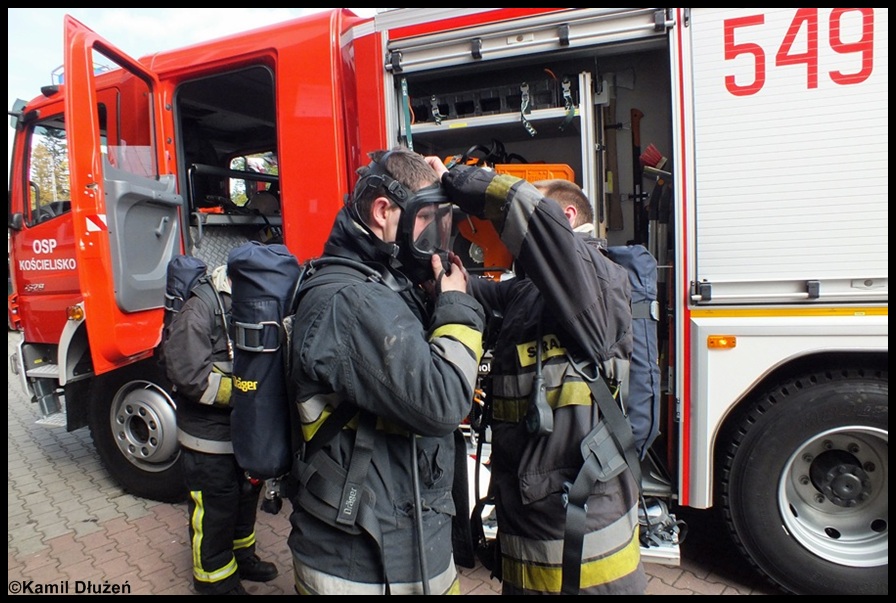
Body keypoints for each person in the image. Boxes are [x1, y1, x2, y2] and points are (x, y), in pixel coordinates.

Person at [425, 161, 648, 596]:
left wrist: (456, 178)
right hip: (536, 540)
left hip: (585, 562)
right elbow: (476, 293)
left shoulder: (595, 279)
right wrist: (437, 272)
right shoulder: (533, 291)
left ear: (564, 219)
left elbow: (526, 211)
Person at [286, 148, 486, 594]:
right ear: (383, 211)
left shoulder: (384, 283)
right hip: (363, 561)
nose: (437, 240)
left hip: (406, 539)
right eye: (427, 222)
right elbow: (442, 402)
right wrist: (455, 309)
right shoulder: (352, 301)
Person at [164, 264, 279, 595]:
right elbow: (189, 376)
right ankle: (213, 580)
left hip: (240, 435)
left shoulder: (250, 301)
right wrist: (244, 391)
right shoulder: (200, 307)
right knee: (214, 511)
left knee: (244, 499)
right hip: (207, 441)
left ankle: (243, 558)